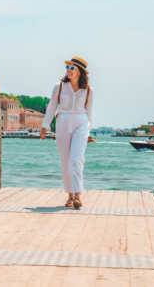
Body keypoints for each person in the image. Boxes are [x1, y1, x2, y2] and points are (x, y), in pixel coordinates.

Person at [40, 56, 93, 209]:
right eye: (67, 67)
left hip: (81, 124)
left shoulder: (88, 90)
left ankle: (77, 196)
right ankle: (70, 197)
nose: (69, 70)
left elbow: (89, 113)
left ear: (80, 71)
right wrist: (45, 126)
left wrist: (87, 131)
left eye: (72, 67)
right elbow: (51, 107)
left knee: (77, 159)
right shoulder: (60, 86)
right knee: (66, 160)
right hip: (62, 122)